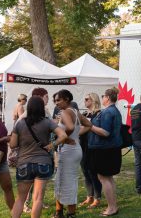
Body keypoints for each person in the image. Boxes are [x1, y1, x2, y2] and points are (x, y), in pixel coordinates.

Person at [10, 96, 67, 218]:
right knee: (38, 199)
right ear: (42, 108)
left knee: (20, 199)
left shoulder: (20, 123)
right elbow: (63, 135)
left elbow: (13, 144)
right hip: (43, 163)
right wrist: (52, 145)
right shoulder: (47, 122)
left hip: (24, 163)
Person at [53, 89, 92, 218]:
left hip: (68, 150)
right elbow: (89, 125)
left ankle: (65, 213)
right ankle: (65, 213)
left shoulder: (65, 112)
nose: (56, 103)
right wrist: (75, 136)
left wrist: (63, 139)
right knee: (68, 180)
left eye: (58, 100)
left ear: (66, 99)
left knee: (63, 180)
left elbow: (69, 128)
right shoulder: (76, 112)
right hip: (75, 149)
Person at [88, 87, 122, 217]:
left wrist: (90, 125)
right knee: (108, 177)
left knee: (104, 178)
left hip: (105, 150)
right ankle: (113, 205)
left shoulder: (108, 112)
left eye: (103, 96)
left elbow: (105, 132)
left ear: (107, 98)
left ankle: (112, 208)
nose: (102, 98)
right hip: (110, 149)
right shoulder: (114, 111)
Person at [79, 93, 103, 208]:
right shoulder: (84, 113)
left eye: (86, 99)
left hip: (93, 146)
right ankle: (89, 196)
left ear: (93, 100)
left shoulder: (99, 114)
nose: (85, 101)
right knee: (85, 171)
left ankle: (97, 198)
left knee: (93, 172)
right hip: (82, 145)